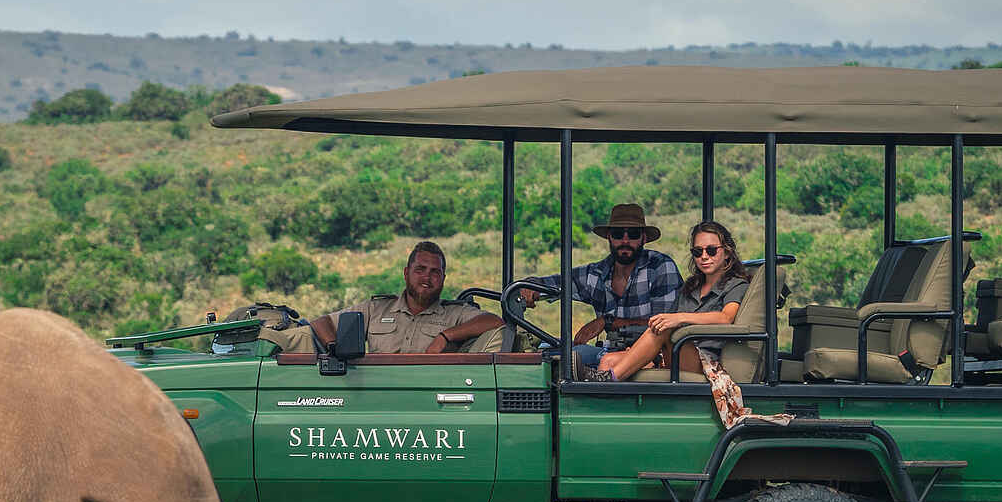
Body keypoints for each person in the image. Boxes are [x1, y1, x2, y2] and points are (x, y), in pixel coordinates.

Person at [515, 202, 682, 374]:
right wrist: (530, 285)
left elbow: (664, 325)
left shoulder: (660, 267)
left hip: (652, 356)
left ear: (644, 238)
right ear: (609, 237)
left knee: (574, 357)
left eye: (633, 234)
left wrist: (607, 321)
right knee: (547, 353)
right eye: (618, 234)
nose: (625, 241)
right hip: (608, 352)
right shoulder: (597, 273)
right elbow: (558, 283)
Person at [590, 220, 749, 380]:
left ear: (727, 252)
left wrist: (680, 318)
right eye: (697, 252)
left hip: (706, 361)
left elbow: (726, 317)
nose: (704, 257)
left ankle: (607, 379)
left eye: (712, 250)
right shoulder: (691, 287)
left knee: (666, 327)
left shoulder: (735, 284)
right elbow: (664, 323)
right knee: (608, 359)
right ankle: (602, 402)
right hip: (673, 352)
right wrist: (639, 350)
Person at [305, 240, 504, 353]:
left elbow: (494, 322)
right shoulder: (376, 309)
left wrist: (445, 336)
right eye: (420, 269)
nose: (427, 277)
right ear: (406, 273)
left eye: (435, 272)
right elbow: (321, 323)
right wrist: (334, 349)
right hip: (374, 395)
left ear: (443, 278)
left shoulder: (454, 314)